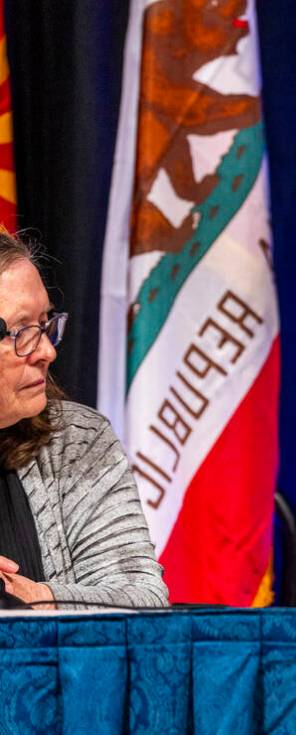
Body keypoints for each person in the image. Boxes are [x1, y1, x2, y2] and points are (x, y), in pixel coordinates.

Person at [0, 233, 167, 609]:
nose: (46, 351)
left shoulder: (76, 441)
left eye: (45, 325)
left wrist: (40, 599)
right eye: (22, 332)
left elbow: (143, 601)